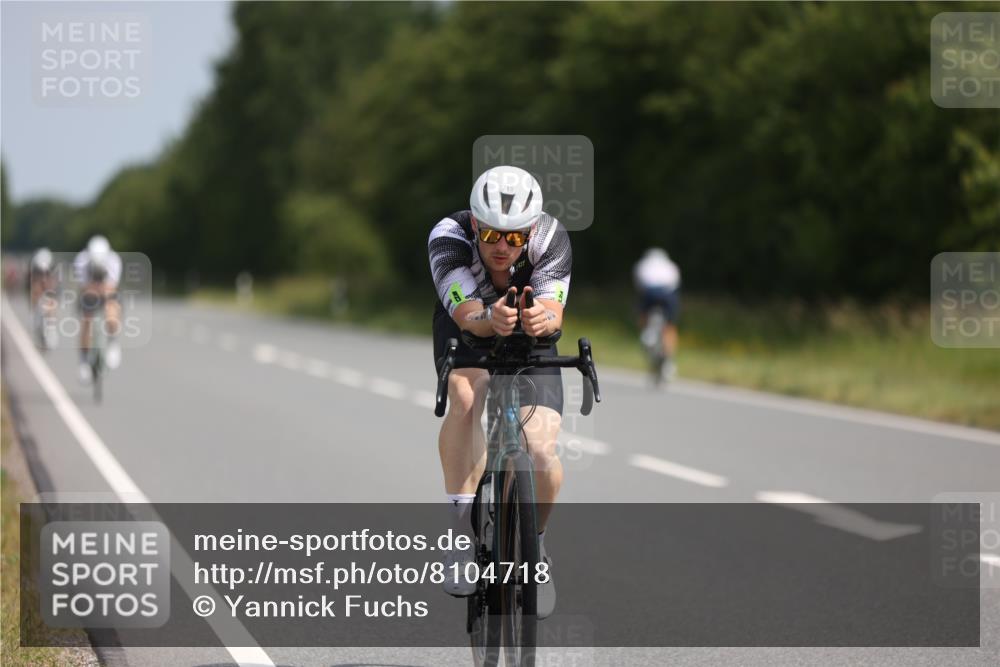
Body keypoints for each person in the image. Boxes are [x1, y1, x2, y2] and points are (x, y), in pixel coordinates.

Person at [428, 165, 572, 618]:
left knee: (541, 449)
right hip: (469, 328)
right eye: (491, 234)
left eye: (514, 237)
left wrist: (540, 321)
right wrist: (492, 321)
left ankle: (538, 549)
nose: (501, 247)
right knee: (468, 396)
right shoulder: (449, 237)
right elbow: (468, 313)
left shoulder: (552, 238)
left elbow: (554, 312)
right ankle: (459, 534)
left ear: (531, 230)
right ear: (474, 223)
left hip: (530, 335)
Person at [73, 235, 123, 381]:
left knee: (112, 308)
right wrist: (93, 290)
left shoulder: (114, 260)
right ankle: (83, 360)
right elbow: (83, 289)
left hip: (106, 292)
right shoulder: (81, 261)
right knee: (86, 320)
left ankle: (113, 342)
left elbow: (112, 288)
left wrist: (102, 291)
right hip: (88, 292)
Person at [634, 247, 681, 380]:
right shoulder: (671, 265)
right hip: (668, 295)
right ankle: (669, 357)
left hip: (649, 293)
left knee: (641, 312)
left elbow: (639, 286)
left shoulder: (642, 265)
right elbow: (676, 284)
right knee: (670, 326)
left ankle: (645, 331)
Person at [29, 248, 59, 349]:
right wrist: (34, 308)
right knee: (36, 293)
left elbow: (53, 287)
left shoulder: (53, 268)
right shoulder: (34, 267)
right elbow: (33, 287)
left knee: (51, 302)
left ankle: (51, 328)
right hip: (36, 288)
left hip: (50, 290)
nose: (43, 276)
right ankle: (37, 319)